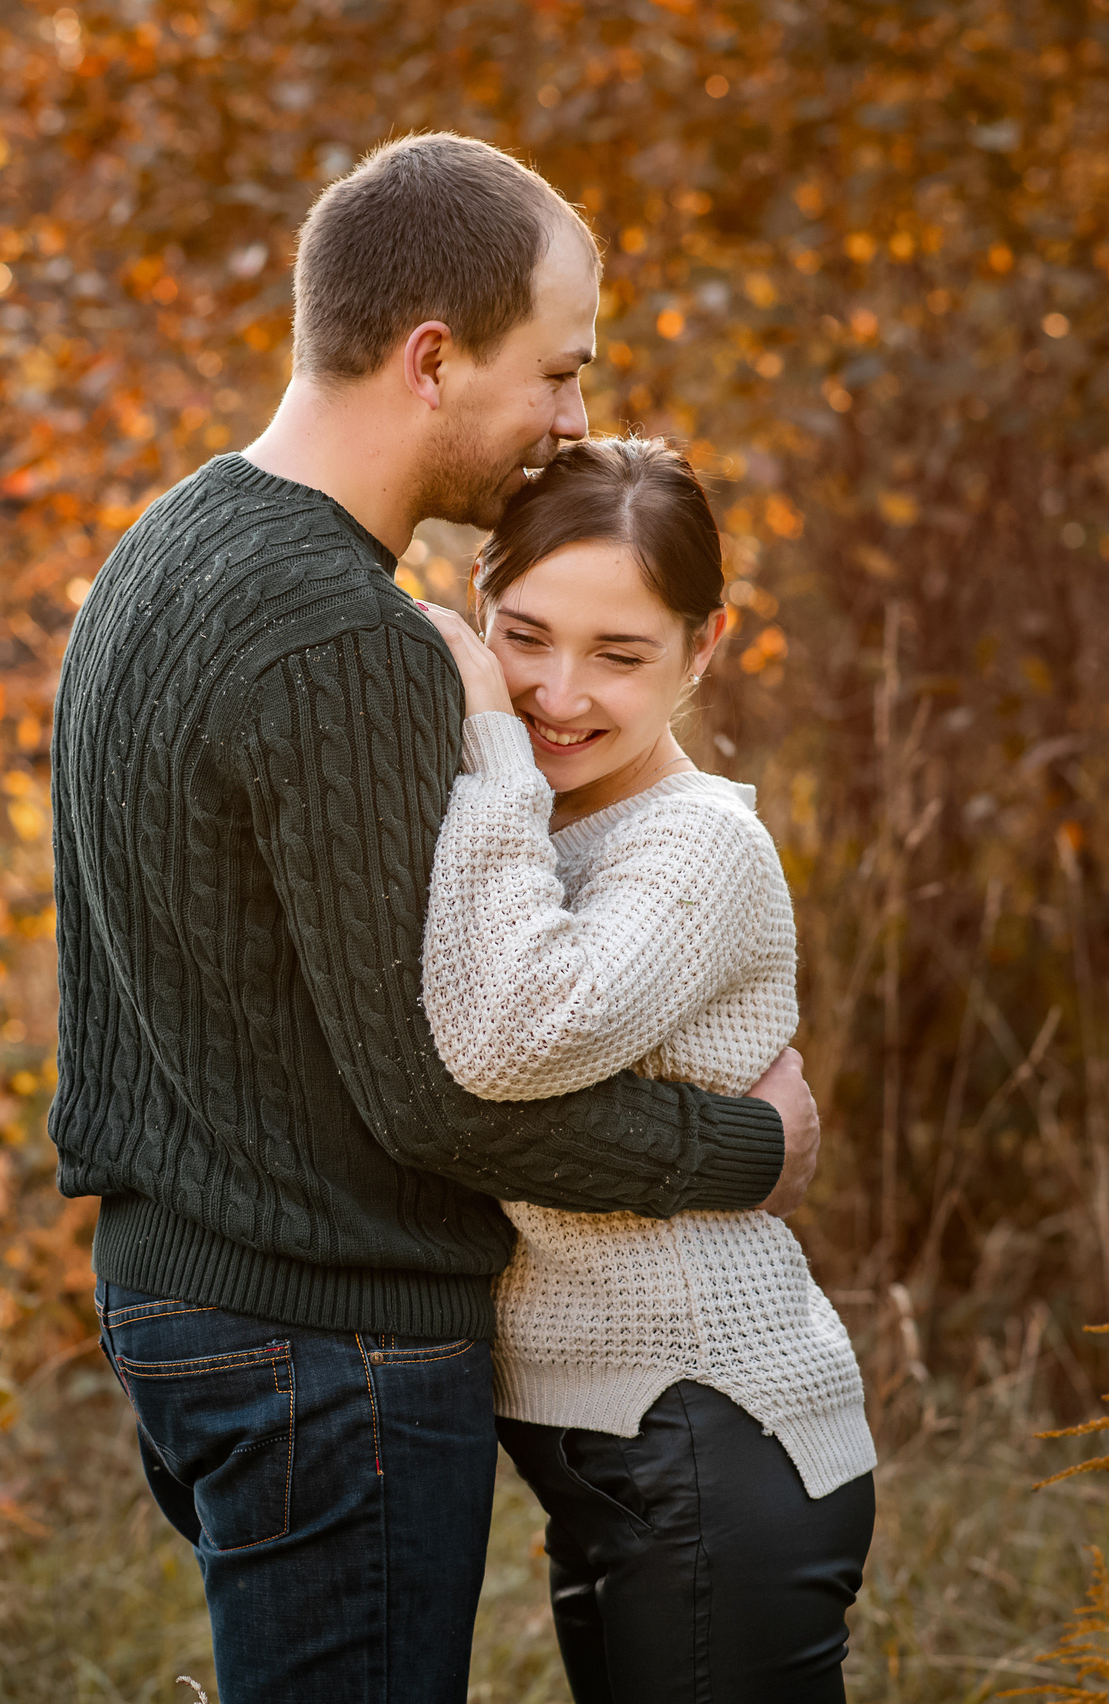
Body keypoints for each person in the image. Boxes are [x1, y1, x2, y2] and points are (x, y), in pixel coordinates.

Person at [47, 133, 823, 1703]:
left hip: (186, 1299)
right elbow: (442, 1083)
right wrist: (748, 1151)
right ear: (430, 358)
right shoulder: (345, 639)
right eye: (557, 371)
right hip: (326, 1347)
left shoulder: (169, 544)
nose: (573, 422)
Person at [416, 435, 875, 1703]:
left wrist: (491, 746)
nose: (559, 695)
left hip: (710, 1436)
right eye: (525, 637)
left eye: (620, 656)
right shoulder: (514, 820)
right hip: (612, 1458)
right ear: (478, 611)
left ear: (704, 647)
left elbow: (512, 1039)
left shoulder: (695, 844)